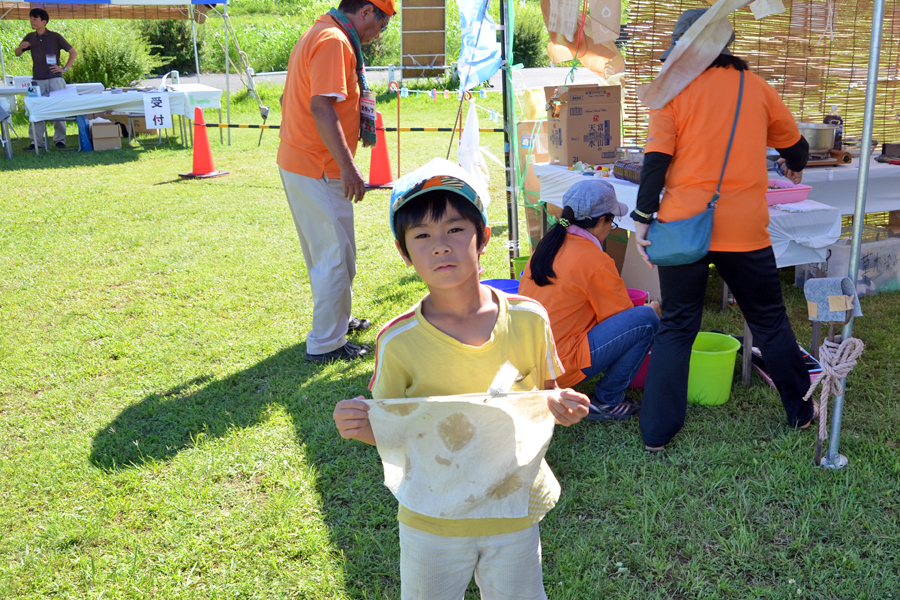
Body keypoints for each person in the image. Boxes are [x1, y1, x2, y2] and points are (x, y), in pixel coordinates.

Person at [333, 159, 590, 600]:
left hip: (512, 512)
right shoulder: (399, 342)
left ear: (483, 237)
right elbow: (392, 429)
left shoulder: (529, 319)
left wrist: (561, 406)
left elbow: (544, 397)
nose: (440, 247)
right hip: (431, 518)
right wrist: (359, 425)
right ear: (404, 252)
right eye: (422, 236)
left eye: (455, 230)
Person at [631, 8, 813, 452]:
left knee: (676, 326)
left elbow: (655, 161)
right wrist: (796, 163)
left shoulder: (670, 90)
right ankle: (801, 410)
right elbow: (797, 146)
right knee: (768, 320)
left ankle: (657, 431)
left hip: (682, 226)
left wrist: (641, 219)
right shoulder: (755, 86)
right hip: (744, 229)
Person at [277, 0, 395, 363]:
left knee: (336, 252)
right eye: (384, 23)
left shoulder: (324, 32)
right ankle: (326, 342)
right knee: (333, 256)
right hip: (317, 165)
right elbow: (321, 107)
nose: (380, 33)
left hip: (308, 161)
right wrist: (348, 167)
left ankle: (336, 322)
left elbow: (290, 98)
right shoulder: (333, 41)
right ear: (365, 13)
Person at [519, 179, 660, 422]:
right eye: (612, 221)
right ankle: (608, 400)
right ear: (602, 221)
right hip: (560, 368)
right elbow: (622, 319)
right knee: (646, 319)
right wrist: (653, 310)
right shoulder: (595, 259)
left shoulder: (546, 246)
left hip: (531, 365)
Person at [15, 8, 77, 150]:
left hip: (55, 79)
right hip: (37, 80)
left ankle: (60, 140)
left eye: (35, 19)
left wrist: (64, 69)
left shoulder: (55, 36)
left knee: (59, 109)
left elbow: (73, 52)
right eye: (30, 18)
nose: (32, 21)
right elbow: (17, 53)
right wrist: (20, 47)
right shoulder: (30, 37)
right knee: (35, 109)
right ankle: (36, 142)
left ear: (44, 21)